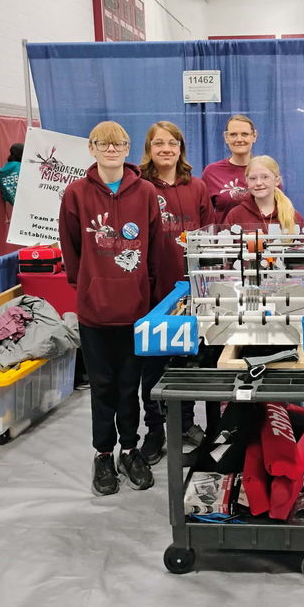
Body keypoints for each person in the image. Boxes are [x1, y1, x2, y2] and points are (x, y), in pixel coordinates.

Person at [59, 121, 172, 496]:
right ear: (91, 148)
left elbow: (154, 247)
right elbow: (71, 249)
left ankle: (130, 448)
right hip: (94, 311)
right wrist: (89, 284)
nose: (110, 150)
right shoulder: (74, 194)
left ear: (127, 149)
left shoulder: (146, 192)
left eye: (118, 144)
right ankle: (103, 453)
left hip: (135, 309)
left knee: (129, 387)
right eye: (102, 144)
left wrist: (148, 293)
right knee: (102, 386)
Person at [139, 121, 214, 464]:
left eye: (172, 143)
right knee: (153, 366)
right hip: (153, 292)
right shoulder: (138, 187)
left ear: (181, 148)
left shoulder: (196, 187)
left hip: (192, 292)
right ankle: (154, 429)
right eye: (159, 143)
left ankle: (184, 425)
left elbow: (210, 240)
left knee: (188, 364)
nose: (166, 149)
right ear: (149, 148)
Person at [223, 155, 304, 232]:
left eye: (265, 177)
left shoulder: (293, 216)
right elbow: (225, 246)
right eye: (253, 178)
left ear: (277, 181)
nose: (258, 183)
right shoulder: (235, 215)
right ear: (247, 181)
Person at [202, 114, 257, 222]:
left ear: (254, 136)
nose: (239, 139)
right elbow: (203, 215)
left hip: (260, 238)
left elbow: (280, 209)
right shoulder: (212, 172)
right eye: (233, 135)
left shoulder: (266, 170)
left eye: (245, 134)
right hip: (225, 237)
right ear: (226, 137)